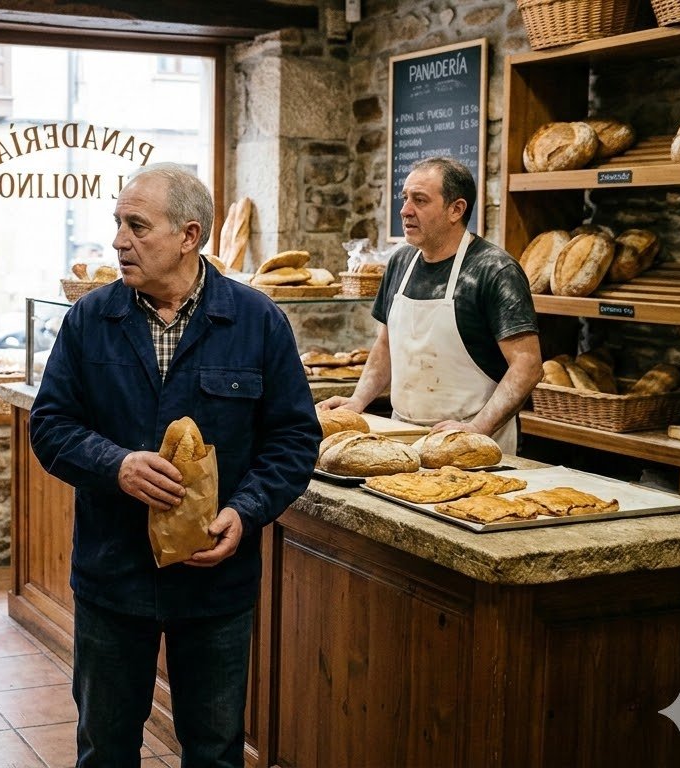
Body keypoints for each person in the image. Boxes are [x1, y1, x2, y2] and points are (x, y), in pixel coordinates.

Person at [28, 163, 320, 767]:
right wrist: (116, 465)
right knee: (105, 750)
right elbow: (50, 425)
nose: (118, 241)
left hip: (216, 584)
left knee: (214, 751)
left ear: (189, 236)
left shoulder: (258, 321)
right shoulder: (90, 320)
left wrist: (247, 510)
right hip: (114, 576)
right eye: (117, 223)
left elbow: (293, 439)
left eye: (137, 226)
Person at [318, 156, 542, 453]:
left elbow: (527, 366)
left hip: (472, 441)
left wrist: (477, 429)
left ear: (456, 209)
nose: (405, 210)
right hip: (402, 435)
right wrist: (357, 400)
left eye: (419, 200)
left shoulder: (494, 270)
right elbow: (386, 345)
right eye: (405, 198)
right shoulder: (400, 262)